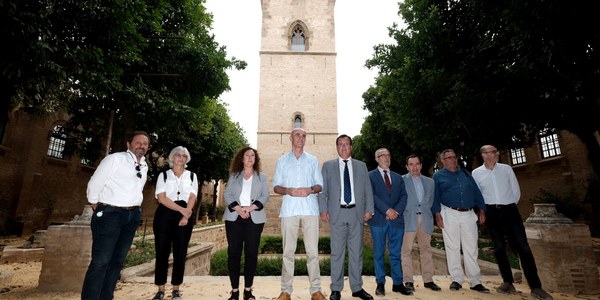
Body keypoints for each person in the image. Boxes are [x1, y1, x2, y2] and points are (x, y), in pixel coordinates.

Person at [472, 145, 554, 300]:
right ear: (484, 155)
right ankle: (508, 282)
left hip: (510, 210)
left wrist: (507, 205)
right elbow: (478, 195)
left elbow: (516, 191)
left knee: (523, 246)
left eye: (497, 151)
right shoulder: (476, 173)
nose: (497, 153)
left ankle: (536, 287)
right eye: (493, 152)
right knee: (499, 247)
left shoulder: (506, 169)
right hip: (491, 212)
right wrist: (482, 211)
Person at [82, 131, 151, 300]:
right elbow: (95, 183)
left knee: (117, 261)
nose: (141, 146)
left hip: (132, 215)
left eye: (145, 144)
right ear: (128, 144)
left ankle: (106, 297)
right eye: (138, 142)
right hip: (110, 215)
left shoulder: (144, 165)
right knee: (101, 261)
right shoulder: (115, 159)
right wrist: (96, 204)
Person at [272, 128, 327, 300]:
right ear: (290, 138)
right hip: (289, 211)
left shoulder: (312, 160)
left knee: (313, 252)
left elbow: (320, 185)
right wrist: (288, 190)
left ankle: (316, 290)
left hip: (310, 210)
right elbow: (276, 186)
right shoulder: (282, 161)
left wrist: (310, 189)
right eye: (297, 135)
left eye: (303, 136)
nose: (301, 138)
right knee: (288, 252)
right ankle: (286, 291)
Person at [319, 134, 374, 300]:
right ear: (337, 147)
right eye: (340, 144)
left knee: (356, 252)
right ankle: (336, 289)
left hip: (356, 213)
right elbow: (323, 191)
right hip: (337, 213)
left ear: (351, 147)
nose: (343, 147)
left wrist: (369, 209)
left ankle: (357, 288)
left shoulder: (361, 166)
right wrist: (323, 209)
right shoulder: (328, 166)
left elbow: (367, 190)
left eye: (346, 144)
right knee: (337, 253)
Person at [432, 149, 490, 293]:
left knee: (471, 247)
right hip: (449, 213)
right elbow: (435, 197)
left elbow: (476, 192)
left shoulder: (466, 174)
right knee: (452, 247)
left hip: (469, 214)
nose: (453, 160)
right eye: (449, 158)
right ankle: (456, 279)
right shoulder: (438, 176)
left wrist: (481, 209)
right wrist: (437, 215)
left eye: (454, 157)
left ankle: (475, 281)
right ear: (443, 161)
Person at [223, 147, 270, 300]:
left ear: (255, 159)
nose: (250, 157)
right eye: (247, 155)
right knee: (234, 254)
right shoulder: (234, 175)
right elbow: (227, 194)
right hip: (234, 218)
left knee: (251, 254)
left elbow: (265, 196)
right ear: (241, 159)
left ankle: (248, 290)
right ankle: (235, 291)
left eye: (252, 155)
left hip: (254, 219)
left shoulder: (262, 177)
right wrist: (238, 208)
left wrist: (250, 208)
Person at [152, 146, 198, 300]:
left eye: (184, 155)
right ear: (172, 157)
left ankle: (176, 289)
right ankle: (160, 289)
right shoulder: (163, 175)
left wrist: (186, 214)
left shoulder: (192, 176)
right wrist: (182, 210)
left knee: (180, 253)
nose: (181, 157)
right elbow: (161, 198)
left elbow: (192, 197)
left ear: (187, 159)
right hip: (165, 214)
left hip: (186, 214)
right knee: (162, 252)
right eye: (178, 155)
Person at [367, 148, 411, 296]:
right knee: (378, 253)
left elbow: (404, 196)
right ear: (376, 159)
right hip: (378, 220)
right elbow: (371, 196)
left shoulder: (398, 177)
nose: (386, 158)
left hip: (396, 221)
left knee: (396, 254)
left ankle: (398, 283)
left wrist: (395, 212)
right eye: (382, 155)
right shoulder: (370, 176)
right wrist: (387, 211)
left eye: (388, 155)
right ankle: (380, 283)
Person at [401, 154, 442, 292]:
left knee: (426, 250)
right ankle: (408, 281)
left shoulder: (430, 182)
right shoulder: (401, 181)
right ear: (407, 167)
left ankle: (428, 280)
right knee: (406, 251)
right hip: (408, 219)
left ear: (421, 165)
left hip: (425, 219)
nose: (414, 167)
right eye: (411, 164)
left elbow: (433, 201)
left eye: (417, 164)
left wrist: (437, 216)